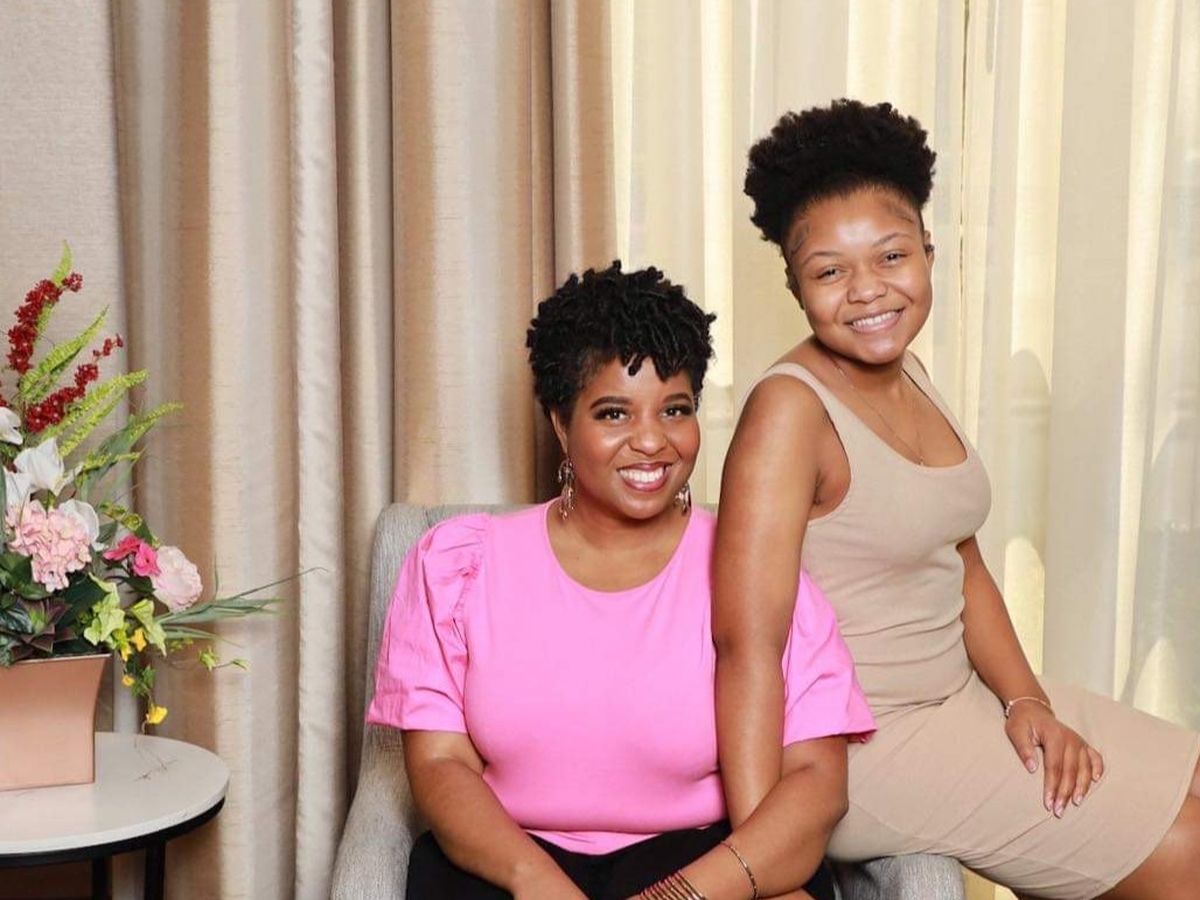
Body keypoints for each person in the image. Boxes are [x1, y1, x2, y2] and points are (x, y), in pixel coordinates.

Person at [712, 98, 1200, 900]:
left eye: (891, 256)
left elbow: (960, 561)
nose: (867, 291)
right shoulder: (788, 413)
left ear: (928, 253)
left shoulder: (907, 370)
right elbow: (745, 649)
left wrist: (1026, 699)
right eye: (830, 271)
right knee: (1188, 850)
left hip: (960, 699)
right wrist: (763, 860)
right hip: (870, 748)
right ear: (796, 287)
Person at [367, 262, 874, 900]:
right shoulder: (455, 566)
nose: (652, 442)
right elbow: (440, 766)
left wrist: (681, 895)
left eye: (675, 410)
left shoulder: (755, 564)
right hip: (505, 860)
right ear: (561, 423)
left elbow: (816, 783)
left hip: (703, 862)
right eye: (613, 414)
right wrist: (537, 883)